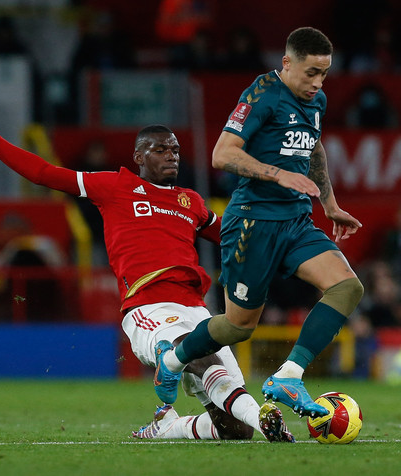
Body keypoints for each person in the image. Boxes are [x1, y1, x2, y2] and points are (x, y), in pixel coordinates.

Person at [0, 104, 294, 443]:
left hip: (195, 307)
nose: (172, 155)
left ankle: (171, 427)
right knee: (198, 353)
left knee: (234, 430)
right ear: (139, 157)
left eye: (175, 149)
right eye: (161, 149)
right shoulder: (113, 187)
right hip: (149, 307)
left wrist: (287, 244)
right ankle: (265, 420)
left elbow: (236, 237)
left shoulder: (191, 201)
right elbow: (43, 173)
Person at [152, 27, 364, 419]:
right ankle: (172, 360)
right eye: (310, 73)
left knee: (347, 287)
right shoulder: (262, 95)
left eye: (324, 74)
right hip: (253, 223)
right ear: (286, 63)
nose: (317, 83)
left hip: (296, 221)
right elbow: (222, 154)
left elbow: (313, 146)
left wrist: (330, 203)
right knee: (238, 326)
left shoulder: (316, 102)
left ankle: (289, 374)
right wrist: (276, 173)